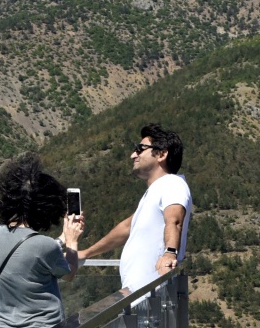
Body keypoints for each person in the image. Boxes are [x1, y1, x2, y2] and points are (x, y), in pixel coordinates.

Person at [0, 152, 84, 328]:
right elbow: (69, 273)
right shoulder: (44, 245)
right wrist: (72, 240)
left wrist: (61, 239)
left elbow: (30, 253)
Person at [79, 124, 191, 293]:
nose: (133, 155)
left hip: (152, 297)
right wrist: (87, 253)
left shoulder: (172, 183)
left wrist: (169, 253)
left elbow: (174, 220)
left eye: (140, 149)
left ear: (161, 154)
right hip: (140, 295)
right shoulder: (154, 192)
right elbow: (126, 228)